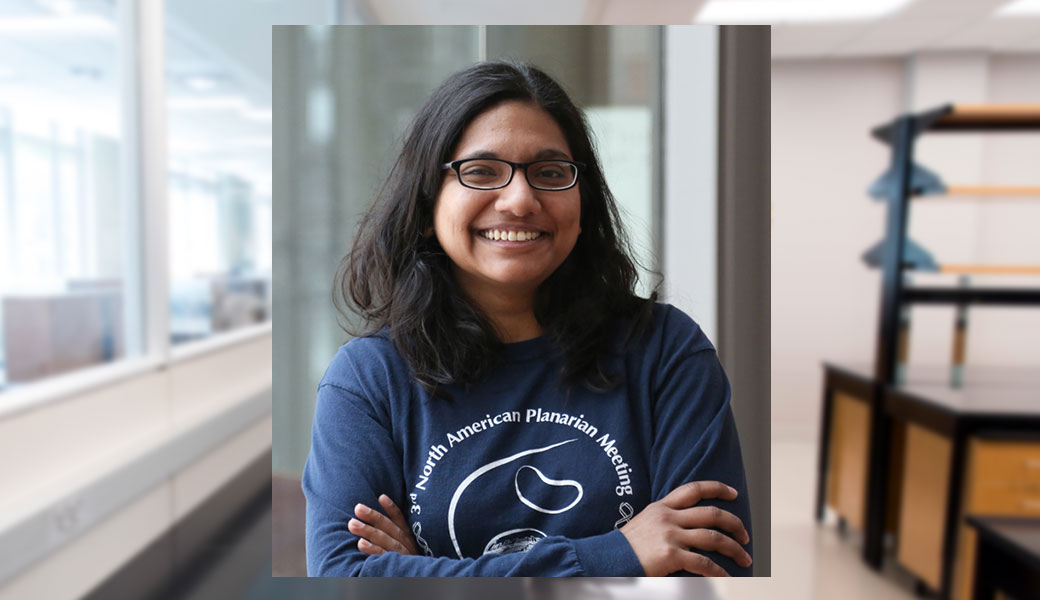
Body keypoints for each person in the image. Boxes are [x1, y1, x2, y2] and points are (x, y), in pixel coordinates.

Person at [303, 60, 753, 577]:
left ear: (582, 203)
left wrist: (424, 571)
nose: (520, 200)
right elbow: (344, 578)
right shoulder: (369, 379)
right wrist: (618, 555)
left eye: (550, 173)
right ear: (427, 205)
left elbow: (711, 570)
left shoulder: (664, 350)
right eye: (481, 171)